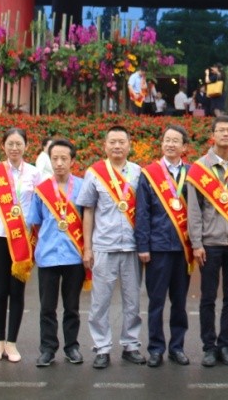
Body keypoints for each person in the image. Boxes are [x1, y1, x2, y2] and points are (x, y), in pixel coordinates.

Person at [77, 125, 145, 369]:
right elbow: (88, 210)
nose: (117, 146)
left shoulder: (138, 172)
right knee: (100, 301)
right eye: (112, 142)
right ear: (105, 145)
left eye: (121, 142)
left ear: (129, 145)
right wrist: (87, 248)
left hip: (132, 246)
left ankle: (131, 344)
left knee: (133, 300)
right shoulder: (94, 173)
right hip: (103, 246)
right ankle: (102, 347)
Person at [187, 115, 228, 367]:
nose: (225, 134)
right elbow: (194, 210)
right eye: (220, 130)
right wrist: (197, 243)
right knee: (208, 298)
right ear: (212, 135)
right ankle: (209, 347)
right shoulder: (199, 169)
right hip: (209, 244)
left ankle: (226, 345)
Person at [0, 128, 40, 363]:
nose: (14, 148)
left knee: (17, 291)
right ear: (3, 145)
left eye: (19, 144)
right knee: (0, 291)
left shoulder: (34, 173)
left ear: (26, 146)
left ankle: (12, 343)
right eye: (10, 144)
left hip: (23, 240)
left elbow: (40, 206)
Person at [137, 124, 194, 367]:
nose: (170, 144)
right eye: (167, 140)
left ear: (184, 146)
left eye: (175, 140)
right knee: (156, 302)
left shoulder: (192, 173)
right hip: (157, 248)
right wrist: (143, 246)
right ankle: (156, 348)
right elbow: (142, 212)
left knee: (179, 302)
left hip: (183, 248)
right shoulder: (149, 174)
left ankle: (177, 347)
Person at [28, 139, 87, 367]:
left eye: (64, 158)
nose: (59, 163)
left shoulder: (82, 187)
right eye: (55, 159)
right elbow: (35, 222)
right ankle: (47, 348)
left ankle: (72, 347)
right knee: (47, 307)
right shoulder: (41, 190)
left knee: (72, 306)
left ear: (72, 161)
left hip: (74, 255)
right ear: (49, 160)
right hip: (48, 256)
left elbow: (88, 220)